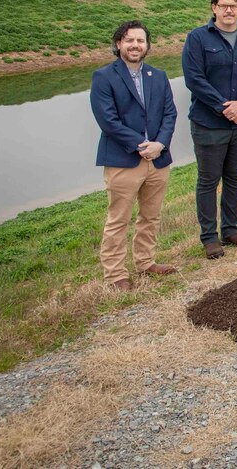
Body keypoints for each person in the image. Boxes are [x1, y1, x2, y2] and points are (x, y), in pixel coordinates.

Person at [182, 0, 237, 260]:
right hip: (209, 124)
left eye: (234, 5)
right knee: (208, 180)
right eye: (223, 5)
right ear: (214, 8)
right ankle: (209, 237)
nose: (229, 10)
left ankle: (230, 230)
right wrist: (223, 107)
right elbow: (194, 79)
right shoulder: (197, 38)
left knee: (234, 177)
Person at [90, 20, 177, 291]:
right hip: (124, 160)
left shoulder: (158, 76)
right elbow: (108, 121)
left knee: (151, 216)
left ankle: (145, 262)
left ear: (147, 45)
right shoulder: (104, 77)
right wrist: (143, 144)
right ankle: (116, 275)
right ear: (119, 44)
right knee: (119, 219)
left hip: (158, 159)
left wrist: (160, 144)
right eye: (129, 40)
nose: (135, 45)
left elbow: (170, 114)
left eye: (140, 40)